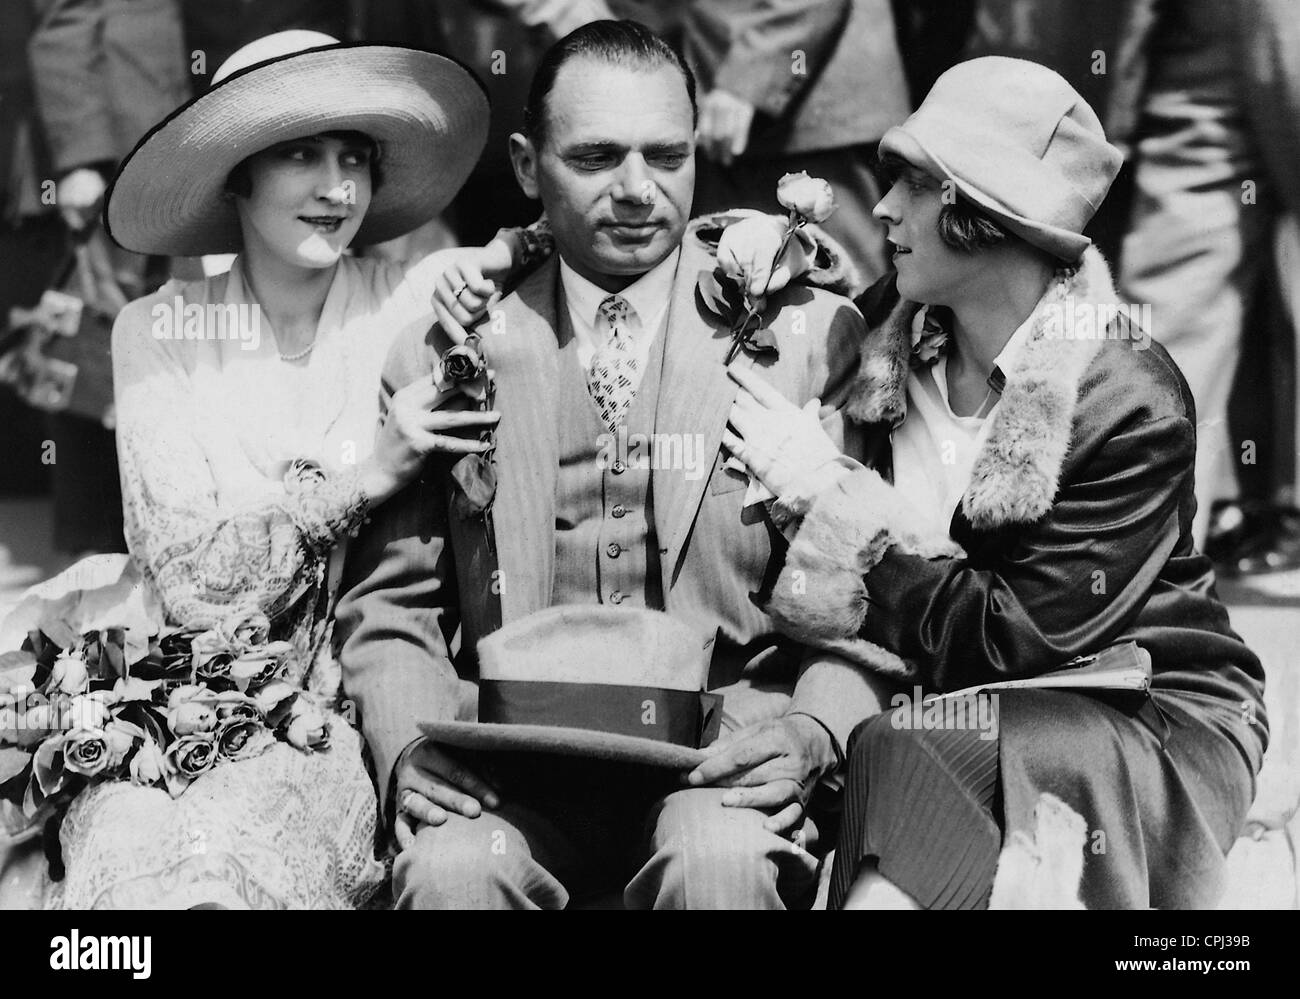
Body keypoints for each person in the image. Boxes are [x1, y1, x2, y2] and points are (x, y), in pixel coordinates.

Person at [334, 19, 874, 910]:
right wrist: (405, 750)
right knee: (453, 873)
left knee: (721, 864)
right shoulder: (449, 349)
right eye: (596, 158)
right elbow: (392, 604)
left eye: (667, 156)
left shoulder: (808, 336)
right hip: (508, 764)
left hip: (722, 761)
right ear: (523, 165)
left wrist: (814, 727)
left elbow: (867, 596)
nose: (637, 191)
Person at [720, 56, 1268, 908]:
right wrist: (757, 244)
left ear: (984, 214)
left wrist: (833, 503)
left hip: (1141, 705)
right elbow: (744, 278)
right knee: (900, 744)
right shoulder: (899, 329)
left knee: (910, 743)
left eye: (915, 186)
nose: (885, 208)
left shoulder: (1129, 396)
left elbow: (1011, 641)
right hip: (946, 703)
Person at [38, 30, 497, 909]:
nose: (337, 189)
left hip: (334, 720)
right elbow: (193, 582)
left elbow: (542, 255)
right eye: (300, 155)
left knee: (228, 878)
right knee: (131, 878)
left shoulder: (412, 297)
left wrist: (741, 237)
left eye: (355, 158)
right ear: (237, 175)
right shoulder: (155, 331)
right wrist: (367, 470)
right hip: (169, 705)